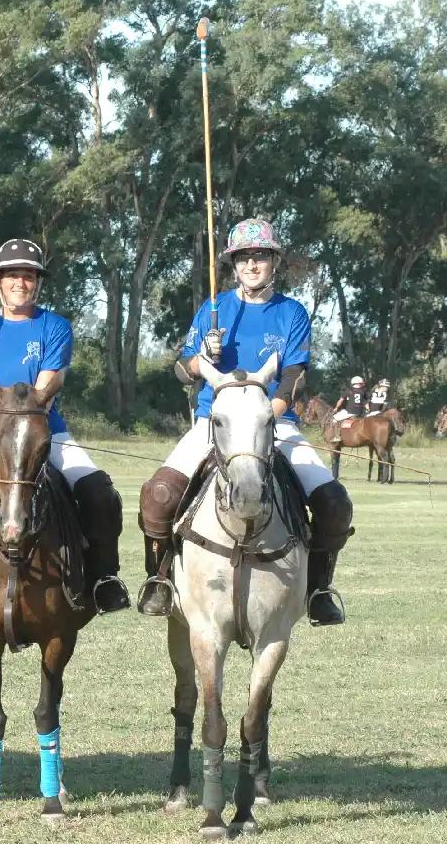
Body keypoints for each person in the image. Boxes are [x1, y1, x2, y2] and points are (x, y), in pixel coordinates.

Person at [135, 218, 353, 626]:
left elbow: (294, 374)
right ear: (234, 264)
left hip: (273, 422)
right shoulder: (214, 309)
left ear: (274, 262)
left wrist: (271, 413)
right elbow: (182, 370)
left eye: (261, 257)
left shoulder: (292, 313)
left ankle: (319, 588)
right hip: (214, 423)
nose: (252, 265)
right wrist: (203, 357)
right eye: (244, 258)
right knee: (158, 496)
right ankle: (159, 578)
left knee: (334, 504)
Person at [0, 239, 130, 622]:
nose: (20, 282)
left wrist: (0, 395)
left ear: (38, 283)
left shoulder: (54, 327)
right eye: (12, 274)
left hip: (43, 434)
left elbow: (47, 389)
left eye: (28, 275)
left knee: (99, 492)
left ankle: (104, 578)